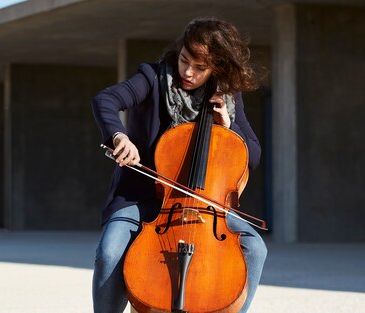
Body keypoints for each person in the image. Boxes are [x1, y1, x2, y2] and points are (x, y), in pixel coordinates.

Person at [91, 17, 267, 313]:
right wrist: (119, 135)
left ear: (217, 67)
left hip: (204, 209)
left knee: (255, 248)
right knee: (109, 252)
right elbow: (105, 99)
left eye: (200, 68)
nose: (187, 72)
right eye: (185, 60)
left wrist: (229, 127)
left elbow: (254, 154)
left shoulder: (226, 97)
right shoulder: (153, 77)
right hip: (141, 197)